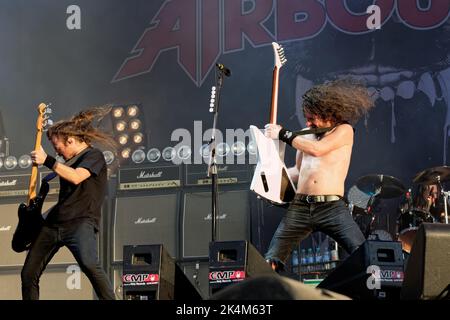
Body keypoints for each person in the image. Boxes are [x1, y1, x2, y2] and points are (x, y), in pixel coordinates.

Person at [264, 78, 375, 272]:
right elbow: (298, 170)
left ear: (326, 112)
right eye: (306, 117)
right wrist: (271, 178)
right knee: (272, 258)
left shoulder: (344, 130)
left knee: (363, 254)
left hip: (331, 207)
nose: (307, 122)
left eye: (311, 117)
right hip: (299, 206)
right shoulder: (306, 134)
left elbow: (318, 149)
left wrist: (284, 134)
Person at [21, 107, 116, 300]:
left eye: (59, 148)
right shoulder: (68, 161)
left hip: (80, 222)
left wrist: (47, 160)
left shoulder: (93, 156)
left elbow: (76, 177)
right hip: (54, 224)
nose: (59, 153)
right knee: (29, 273)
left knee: (90, 264)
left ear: (70, 140)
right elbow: (64, 199)